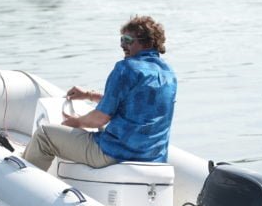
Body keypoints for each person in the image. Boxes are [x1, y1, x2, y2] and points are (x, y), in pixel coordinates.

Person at [22, 15, 177, 171]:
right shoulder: (169, 74)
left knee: (44, 135)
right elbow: (136, 104)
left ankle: (23, 185)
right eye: (122, 39)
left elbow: (99, 119)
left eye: (128, 40)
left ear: (148, 43)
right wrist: (89, 95)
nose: (122, 45)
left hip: (114, 153)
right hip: (153, 157)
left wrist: (77, 122)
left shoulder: (126, 68)